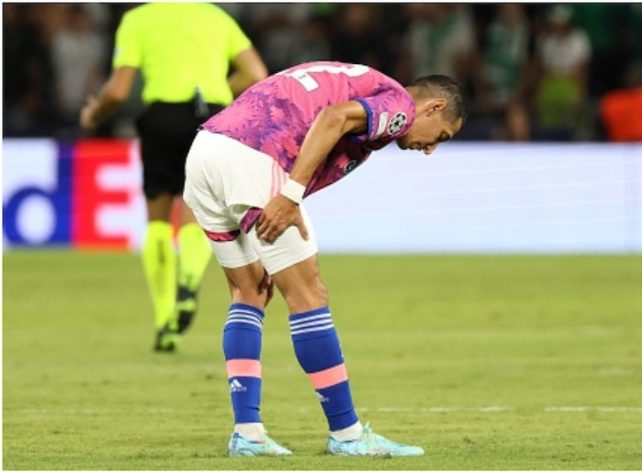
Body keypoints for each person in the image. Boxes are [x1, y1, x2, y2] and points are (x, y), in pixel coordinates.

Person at [181, 61, 465, 457]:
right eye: (443, 136)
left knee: (250, 292)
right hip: (254, 156)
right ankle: (347, 436)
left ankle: (248, 434)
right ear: (434, 107)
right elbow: (333, 117)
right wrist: (290, 194)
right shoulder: (398, 105)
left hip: (206, 151)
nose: (431, 148)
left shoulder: (361, 84)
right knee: (308, 294)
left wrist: (288, 194)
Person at [79, 3, 267, 351]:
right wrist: (222, 90)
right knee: (200, 208)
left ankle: (166, 321)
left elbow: (118, 91)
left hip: (161, 118)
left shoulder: (138, 20)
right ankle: (190, 278)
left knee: (159, 220)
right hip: (211, 116)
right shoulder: (217, 17)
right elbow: (256, 73)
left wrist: (95, 113)